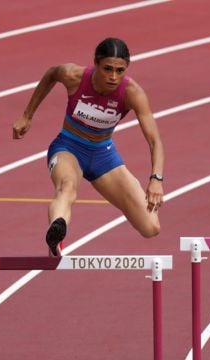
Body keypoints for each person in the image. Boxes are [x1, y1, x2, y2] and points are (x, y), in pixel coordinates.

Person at [12, 37, 164, 257]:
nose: (113, 77)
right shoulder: (73, 76)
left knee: (151, 227)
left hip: (103, 155)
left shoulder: (132, 93)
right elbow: (51, 74)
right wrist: (27, 115)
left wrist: (156, 179)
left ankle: (58, 231)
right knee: (67, 187)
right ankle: (57, 233)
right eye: (107, 69)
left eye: (120, 70)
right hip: (68, 148)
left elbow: (155, 141)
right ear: (96, 63)